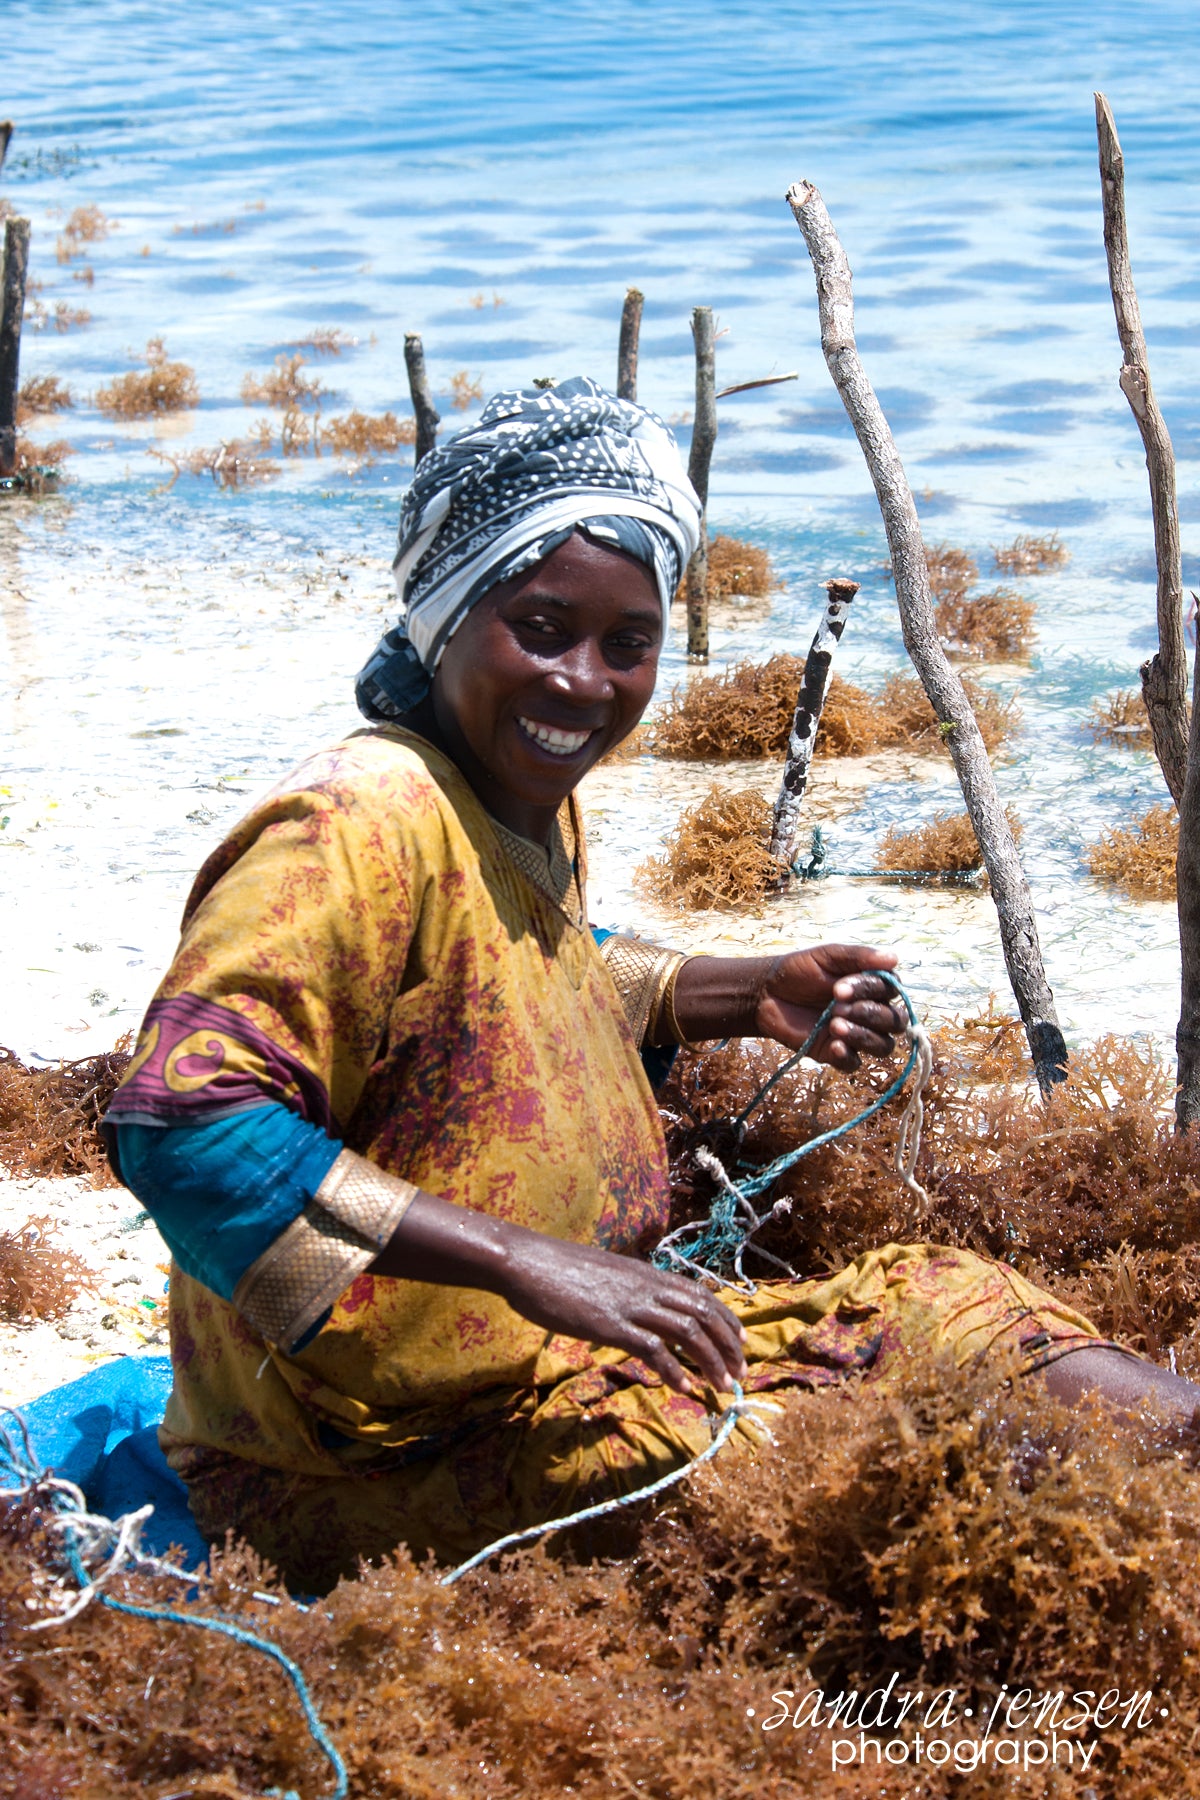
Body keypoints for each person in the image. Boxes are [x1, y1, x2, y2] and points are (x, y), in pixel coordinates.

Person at [105, 378, 1200, 1594]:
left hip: (566, 1368)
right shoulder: (353, 821)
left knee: (949, 1303)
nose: (585, 682)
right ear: (447, 616)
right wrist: (533, 1262)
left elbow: (514, 983)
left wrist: (739, 991)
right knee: (857, 1461)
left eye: (628, 644)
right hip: (365, 1455)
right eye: (541, 626)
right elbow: (184, 1123)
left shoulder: (511, 802)